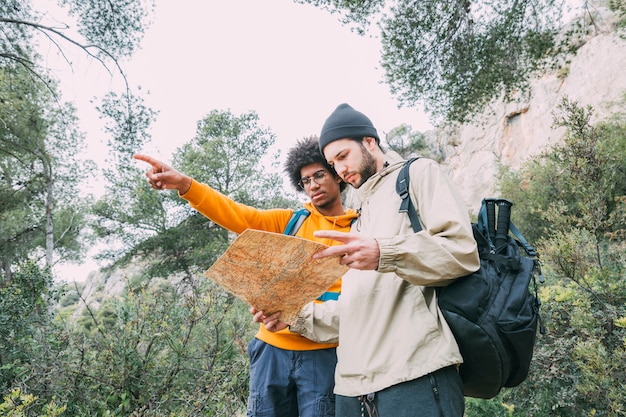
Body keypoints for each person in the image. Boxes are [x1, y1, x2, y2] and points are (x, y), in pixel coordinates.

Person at [258, 104, 481, 417]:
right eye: (333, 163)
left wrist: (383, 252)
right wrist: (294, 317)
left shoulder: (417, 175)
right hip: (351, 392)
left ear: (369, 142)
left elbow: (461, 253)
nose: (340, 170)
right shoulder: (359, 213)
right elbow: (356, 309)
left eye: (343, 156)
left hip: (414, 376)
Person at [134, 135, 357, 417]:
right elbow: (235, 214)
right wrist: (184, 185)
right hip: (271, 351)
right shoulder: (290, 220)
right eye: (305, 181)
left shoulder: (360, 229)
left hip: (325, 355)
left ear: (338, 175)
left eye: (319, 175)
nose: (313, 185)